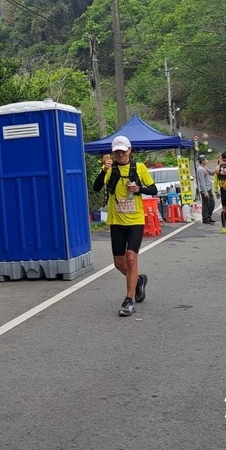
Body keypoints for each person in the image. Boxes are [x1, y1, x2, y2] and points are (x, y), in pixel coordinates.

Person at [92, 135, 158, 316]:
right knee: (119, 263)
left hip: (136, 220)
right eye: (117, 151)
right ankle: (138, 281)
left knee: (131, 258)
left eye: (123, 150)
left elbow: (154, 189)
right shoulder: (109, 169)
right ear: (113, 153)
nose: (120, 154)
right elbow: (96, 187)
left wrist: (139, 189)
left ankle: (128, 301)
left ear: (129, 150)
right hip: (116, 221)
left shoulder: (139, 168)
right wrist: (103, 171)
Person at [195, 154, 215, 224]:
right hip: (205, 189)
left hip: (209, 188)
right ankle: (205, 218)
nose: (206, 160)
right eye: (205, 159)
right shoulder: (200, 169)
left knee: (211, 203)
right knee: (206, 204)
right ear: (202, 161)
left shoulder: (204, 168)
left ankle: (209, 217)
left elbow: (212, 173)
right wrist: (205, 192)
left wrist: (218, 168)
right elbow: (202, 181)